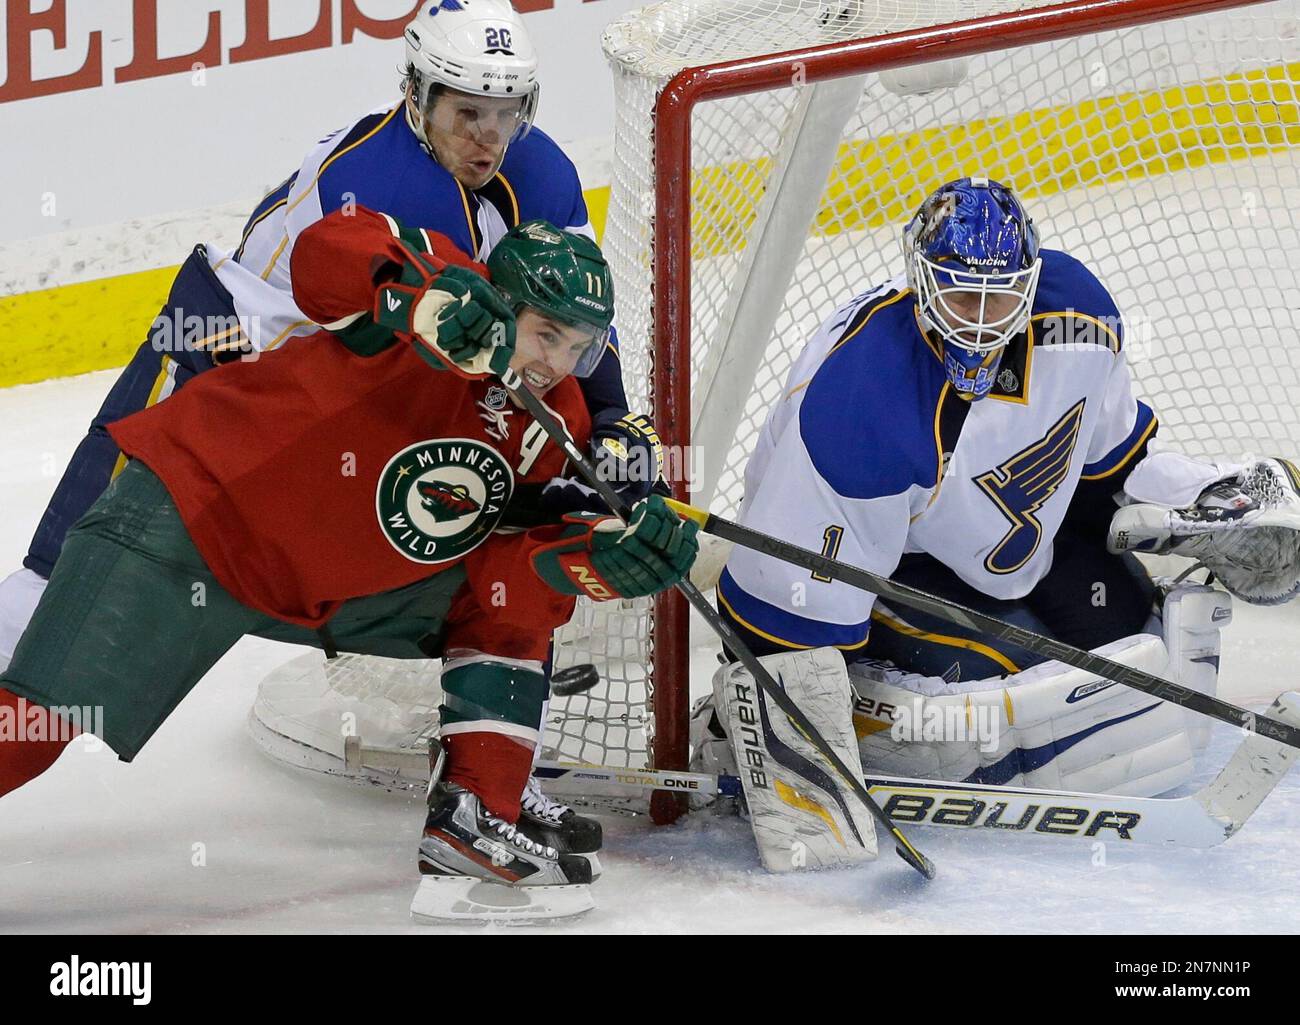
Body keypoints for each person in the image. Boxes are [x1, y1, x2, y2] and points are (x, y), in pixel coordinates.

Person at [0, 0, 663, 838]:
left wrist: (610, 431)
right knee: (46, 605)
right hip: (222, 367)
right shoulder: (384, 181)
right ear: (418, 95)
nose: (488, 137)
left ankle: (496, 773)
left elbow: (566, 319)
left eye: (506, 114)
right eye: (468, 114)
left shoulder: (544, 173)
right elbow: (338, 280)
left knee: (516, 527)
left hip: (344, 408)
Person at [0, 214, 699, 920]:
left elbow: (512, 572)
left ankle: (476, 814)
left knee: (519, 596)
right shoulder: (442, 286)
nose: (556, 363)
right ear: (500, 298)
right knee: (31, 732)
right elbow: (325, 254)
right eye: (546, 334)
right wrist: (423, 298)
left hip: (318, 586)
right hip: (190, 520)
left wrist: (599, 561)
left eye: (578, 348)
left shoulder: (559, 426)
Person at [700, 177, 1300, 833]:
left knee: (1129, 641)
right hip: (886, 565)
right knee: (1018, 685)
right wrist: (781, 735)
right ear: (921, 280)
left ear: (1033, 281)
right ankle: (804, 714)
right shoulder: (864, 402)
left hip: (1008, 545)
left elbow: (1109, 463)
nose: (983, 321)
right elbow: (782, 616)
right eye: (962, 295)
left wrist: (1194, 497)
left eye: (1004, 295)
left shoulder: (1080, 318)